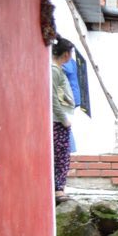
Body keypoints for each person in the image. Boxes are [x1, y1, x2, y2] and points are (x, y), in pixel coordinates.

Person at [51, 37, 77, 203]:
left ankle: (59, 188)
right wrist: (63, 119)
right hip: (58, 121)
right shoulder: (54, 70)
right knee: (61, 156)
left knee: (62, 155)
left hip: (59, 120)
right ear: (66, 55)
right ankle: (58, 190)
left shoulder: (57, 70)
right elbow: (52, 97)